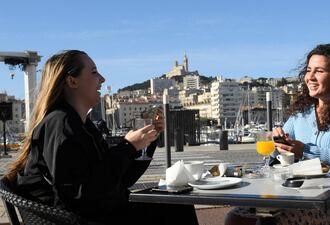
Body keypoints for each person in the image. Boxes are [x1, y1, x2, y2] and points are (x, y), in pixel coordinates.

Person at [3, 50, 199, 225]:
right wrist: (128, 146)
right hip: (84, 218)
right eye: (94, 72)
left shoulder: (80, 124)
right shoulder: (61, 124)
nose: (102, 79)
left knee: (176, 203)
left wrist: (146, 141)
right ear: (72, 81)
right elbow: (80, 194)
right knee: (177, 209)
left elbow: (119, 179)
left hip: (96, 212)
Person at [225, 42, 330, 225]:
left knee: (269, 220)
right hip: (295, 192)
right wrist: (278, 141)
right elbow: (276, 151)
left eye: (319, 71)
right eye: (308, 70)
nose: (310, 77)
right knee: (236, 218)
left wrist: (304, 150)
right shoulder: (302, 112)